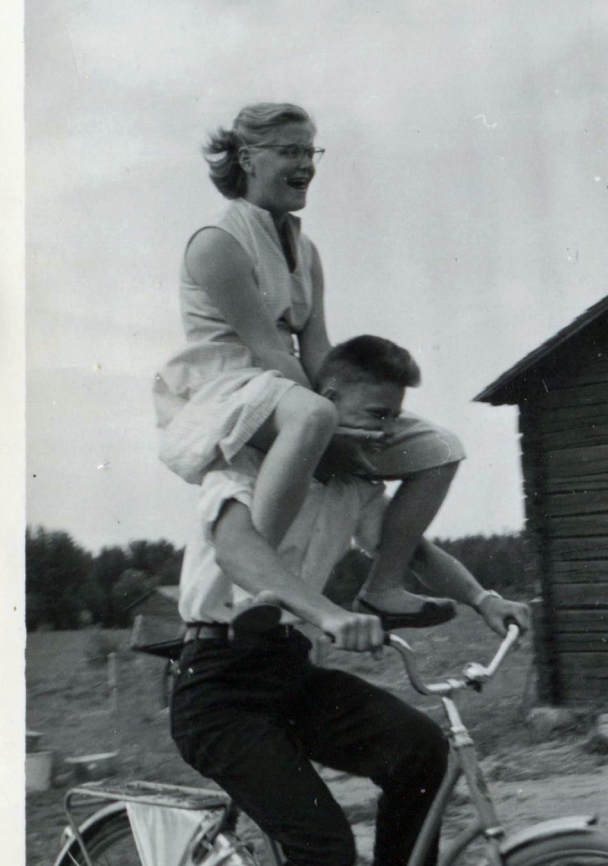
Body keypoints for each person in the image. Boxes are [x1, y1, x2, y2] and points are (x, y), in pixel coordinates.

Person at [170, 335, 532, 866]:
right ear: (321, 403)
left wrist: (482, 597)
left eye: (396, 420)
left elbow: (415, 551)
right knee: (322, 845)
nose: (384, 433)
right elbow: (243, 555)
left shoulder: (352, 488)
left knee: (420, 747)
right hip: (218, 684)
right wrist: (328, 611)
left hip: (289, 673)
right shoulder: (242, 466)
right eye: (372, 415)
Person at [154, 101, 464, 631]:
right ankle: (264, 586)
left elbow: (317, 350)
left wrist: (352, 414)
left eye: (309, 151)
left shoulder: (306, 249)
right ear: (247, 158)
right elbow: (269, 349)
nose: (305, 164)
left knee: (439, 449)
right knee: (316, 420)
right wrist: (330, 421)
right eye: (288, 151)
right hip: (227, 388)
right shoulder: (216, 244)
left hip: (286, 392)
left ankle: (384, 587)